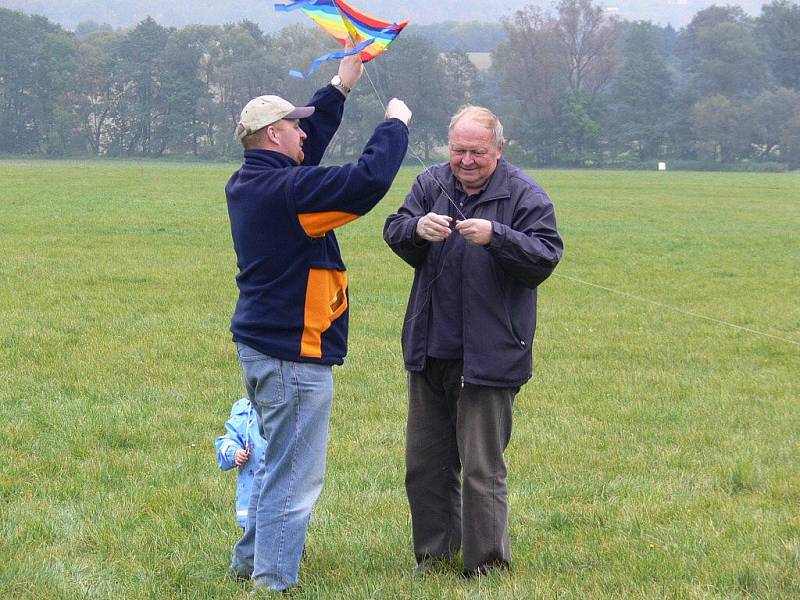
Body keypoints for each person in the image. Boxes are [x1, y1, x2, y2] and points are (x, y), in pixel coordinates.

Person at [224, 46, 412, 594]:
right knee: (294, 476)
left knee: (278, 459)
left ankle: (249, 563)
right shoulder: (290, 192)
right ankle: (272, 580)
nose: (305, 135)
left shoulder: (255, 180)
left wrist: (341, 86)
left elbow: (311, 151)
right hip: (292, 354)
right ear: (274, 135)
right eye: (295, 127)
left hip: (264, 346)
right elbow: (364, 184)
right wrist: (394, 127)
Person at [383, 106, 563, 578]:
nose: (465, 160)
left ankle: (486, 565)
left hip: (490, 356)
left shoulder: (524, 195)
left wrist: (498, 236)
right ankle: (435, 556)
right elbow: (395, 229)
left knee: (482, 470)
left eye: (477, 152)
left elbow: (545, 257)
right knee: (425, 465)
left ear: (498, 150)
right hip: (430, 349)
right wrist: (417, 229)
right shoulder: (430, 185)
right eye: (458, 150)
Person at [215, 397, 266, 531]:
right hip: (251, 490)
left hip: (285, 493)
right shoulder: (245, 411)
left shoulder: (288, 407)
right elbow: (228, 440)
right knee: (253, 540)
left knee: (288, 536)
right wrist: (235, 452)